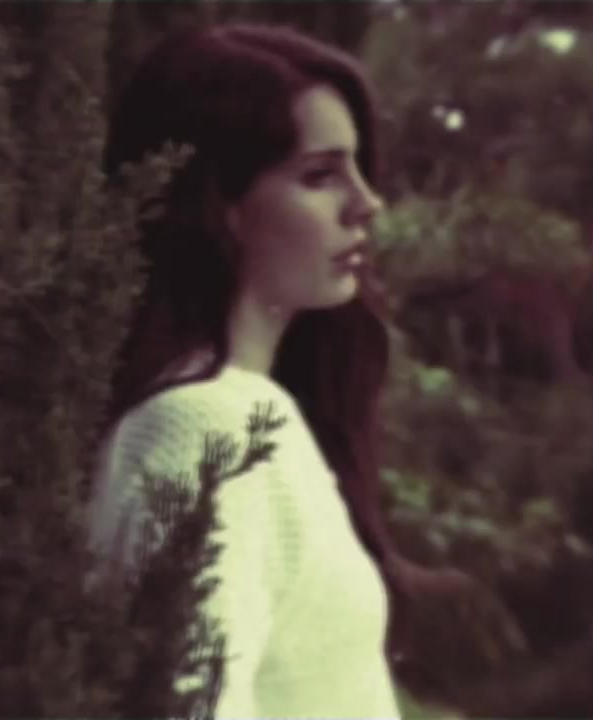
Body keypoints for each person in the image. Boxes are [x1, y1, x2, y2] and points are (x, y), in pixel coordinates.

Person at [86, 22, 450, 718]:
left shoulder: (248, 413)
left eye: (357, 168)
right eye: (319, 175)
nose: (366, 203)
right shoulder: (202, 427)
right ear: (221, 206)